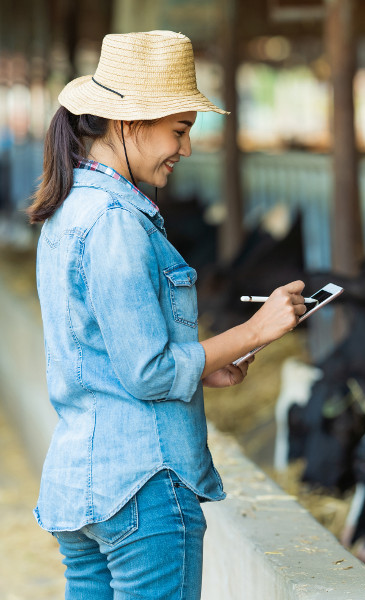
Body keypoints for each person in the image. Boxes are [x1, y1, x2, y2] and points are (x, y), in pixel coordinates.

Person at [26, 30, 307, 599]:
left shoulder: (68, 210)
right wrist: (255, 330)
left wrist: (206, 365)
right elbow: (148, 372)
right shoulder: (115, 223)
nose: (185, 148)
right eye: (178, 131)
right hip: (142, 486)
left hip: (81, 485)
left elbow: (106, 351)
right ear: (129, 124)